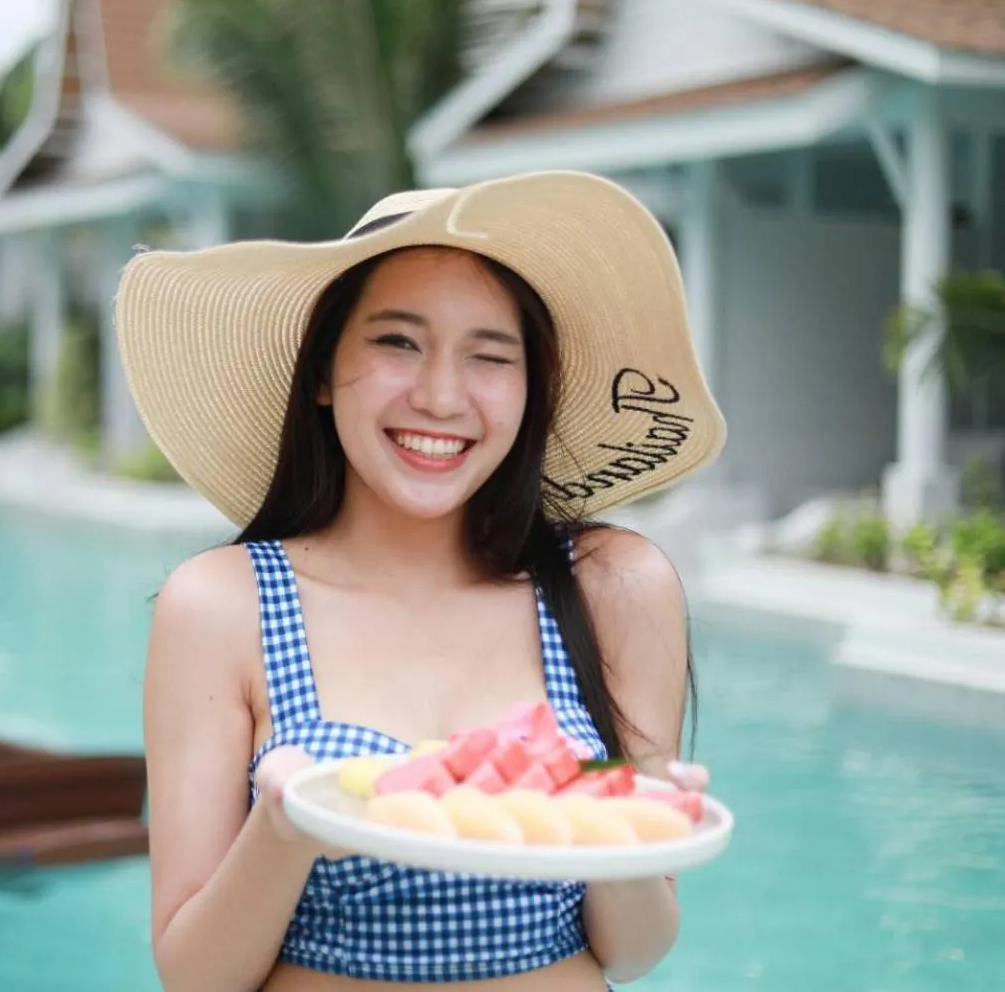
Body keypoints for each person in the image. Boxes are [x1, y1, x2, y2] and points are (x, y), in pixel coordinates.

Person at [115, 172, 726, 992]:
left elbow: (634, 951)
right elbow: (195, 979)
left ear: (528, 391)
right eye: (396, 342)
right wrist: (285, 827)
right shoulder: (223, 605)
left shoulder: (612, 587)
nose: (440, 395)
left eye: (489, 355)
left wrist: (616, 820)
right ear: (322, 374)